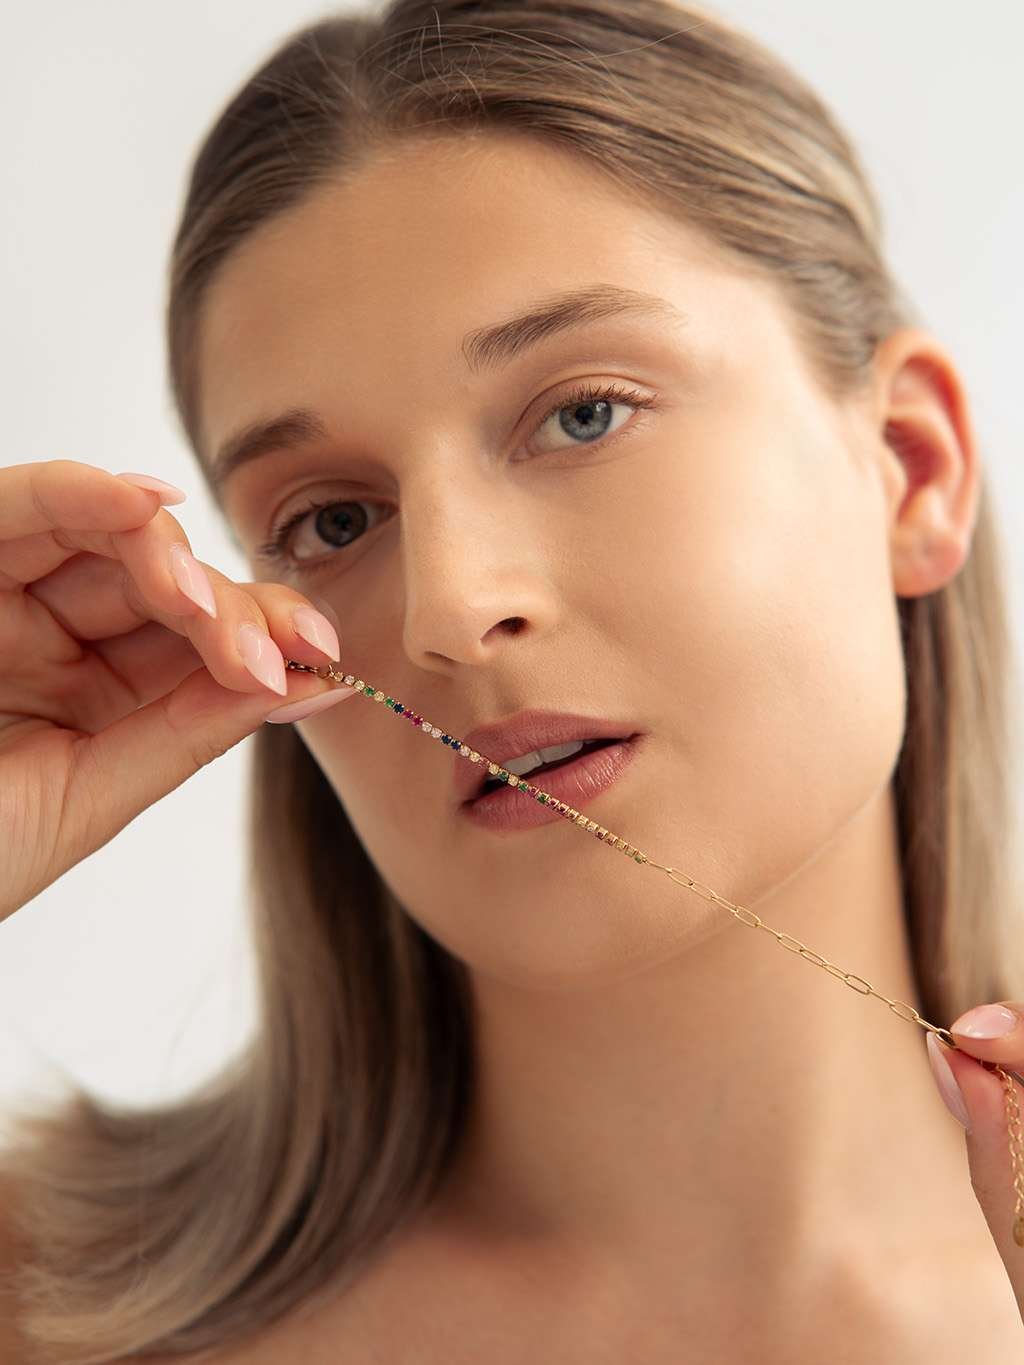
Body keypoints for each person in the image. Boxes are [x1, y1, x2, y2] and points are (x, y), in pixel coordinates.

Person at [2, 1, 1023, 1360]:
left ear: (910, 464)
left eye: (582, 412)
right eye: (336, 520)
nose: (451, 611)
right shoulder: (39, 1302)